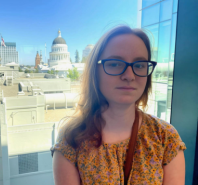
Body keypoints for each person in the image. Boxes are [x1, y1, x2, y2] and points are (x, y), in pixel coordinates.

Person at [50, 25, 186, 185]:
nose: (129, 76)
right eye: (115, 64)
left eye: (140, 65)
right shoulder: (72, 138)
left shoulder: (165, 138)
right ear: (95, 70)